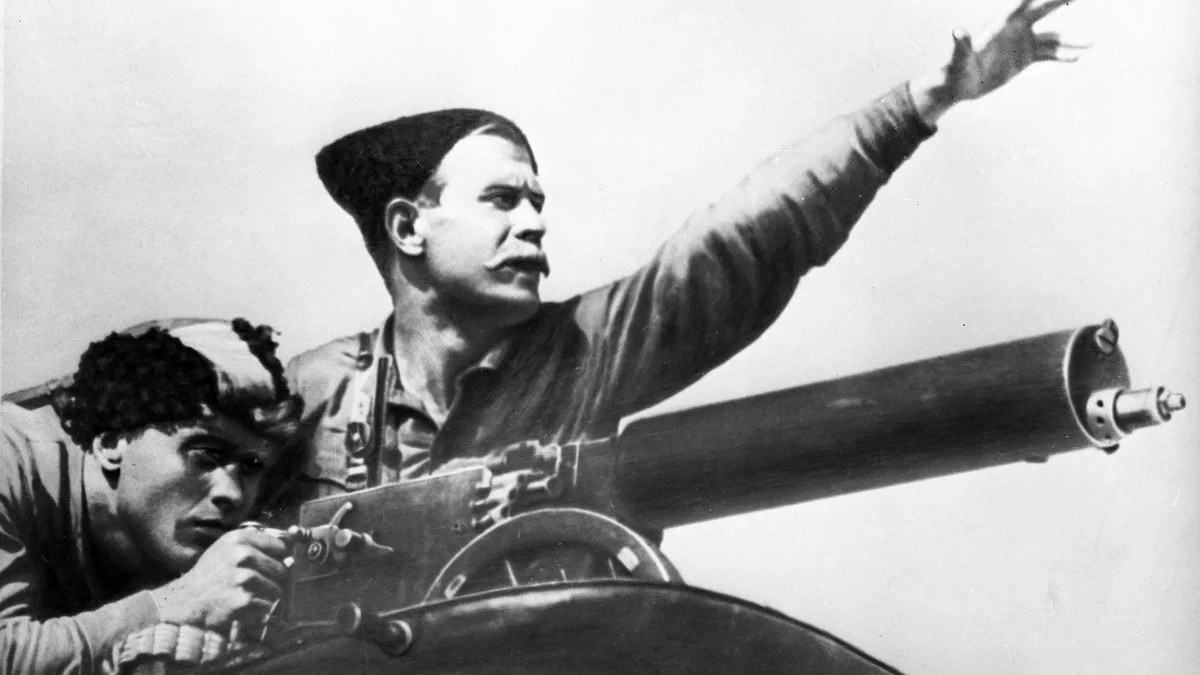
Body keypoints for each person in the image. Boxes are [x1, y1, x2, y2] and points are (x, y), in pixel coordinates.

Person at [279, 1, 1085, 513]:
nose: (534, 225)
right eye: (502, 199)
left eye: (538, 202)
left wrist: (920, 105)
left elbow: (741, 240)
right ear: (408, 227)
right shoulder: (306, 395)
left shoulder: (581, 353)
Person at [0, 318, 302, 675]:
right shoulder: (9, 457)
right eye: (206, 456)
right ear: (112, 443)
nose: (232, 494)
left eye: (251, 467)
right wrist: (178, 600)